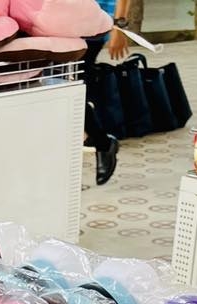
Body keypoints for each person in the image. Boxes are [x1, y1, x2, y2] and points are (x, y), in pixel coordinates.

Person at [83, 0, 131, 185]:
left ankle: (102, 143)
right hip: (59, 25)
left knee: (72, 90)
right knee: (62, 89)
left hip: (92, 26)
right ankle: (97, 140)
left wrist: (119, 27)